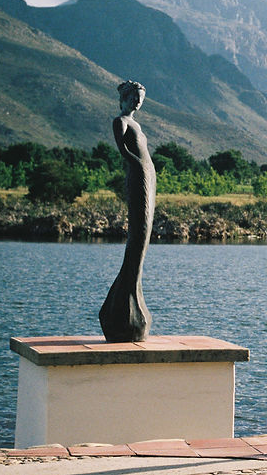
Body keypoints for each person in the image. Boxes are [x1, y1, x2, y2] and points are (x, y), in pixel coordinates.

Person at [99, 80, 156, 342]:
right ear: (124, 97)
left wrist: (148, 171)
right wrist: (141, 168)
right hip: (138, 178)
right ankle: (120, 309)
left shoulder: (138, 125)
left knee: (143, 240)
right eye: (134, 96)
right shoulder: (120, 121)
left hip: (147, 178)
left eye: (141, 98)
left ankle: (129, 303)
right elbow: (124, 152)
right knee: (137, 236)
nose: (137, 101)